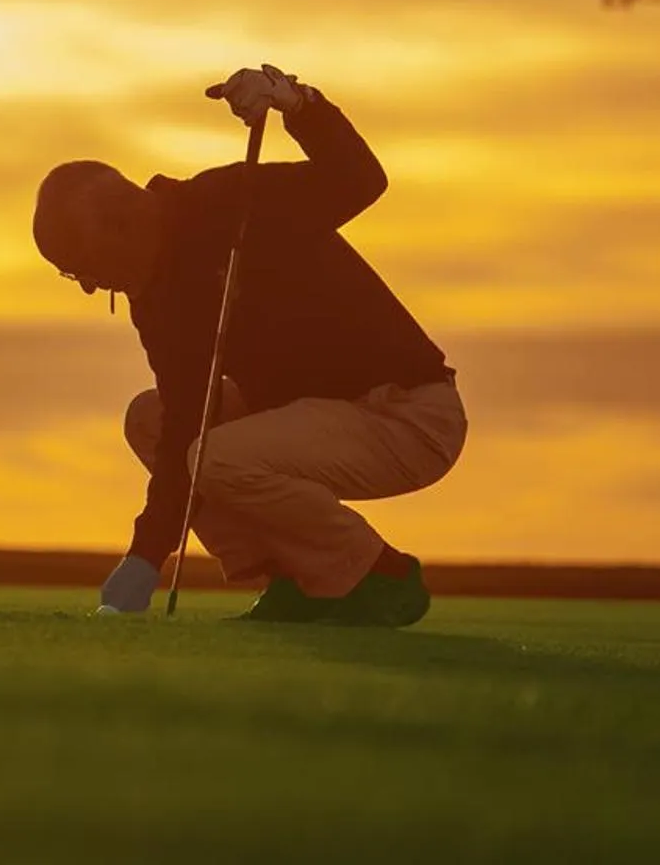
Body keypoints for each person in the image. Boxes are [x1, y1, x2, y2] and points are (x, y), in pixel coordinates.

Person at [31, 64, 465, 626]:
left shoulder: (230, 201)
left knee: (218, 457)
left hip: (405, 415)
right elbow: (185, 420)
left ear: (122, 225)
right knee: (152, 418)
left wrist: (299, 106)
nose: (91, 287)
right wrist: (146, 554)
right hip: (305, 418)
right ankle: (294, 580)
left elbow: (359, 180)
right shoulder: (157, 296)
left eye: (80, 269)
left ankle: (378, 575)